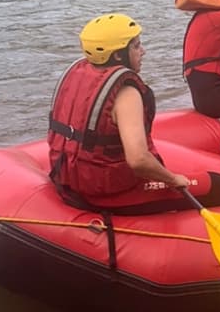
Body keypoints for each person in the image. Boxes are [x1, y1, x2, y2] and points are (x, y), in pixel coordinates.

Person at [47, 14, 197, 215]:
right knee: (216, 183)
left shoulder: (76, 73)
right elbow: (138, 161)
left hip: (67, 179)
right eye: (136, 46)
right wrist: (172, 179)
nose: (142, 51)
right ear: (118, 55)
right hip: (106, 191)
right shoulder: (126, 93)